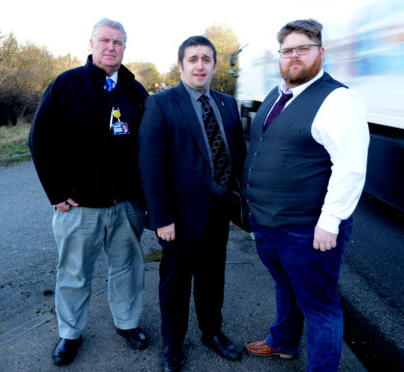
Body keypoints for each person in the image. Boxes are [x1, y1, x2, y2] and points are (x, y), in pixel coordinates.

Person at [242, 19, 370, 372]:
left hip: (307, 230)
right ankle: (283, 342)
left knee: (321, 307)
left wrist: (330, 223)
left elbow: (351, 167)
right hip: (267, 225)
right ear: (279, 57)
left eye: (303, 48)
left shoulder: (339, 99)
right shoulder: (276, 93)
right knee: (285, 286)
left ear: (321, 52)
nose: (294, 56)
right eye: (287, 50)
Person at [28, 18, 149, 366]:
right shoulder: (67, 84)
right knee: (74, 272)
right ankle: (70, 333)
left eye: (118, 42)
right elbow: (40, 139)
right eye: (105, 41)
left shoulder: (134, 90)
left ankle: (127, 324)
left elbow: (150, 143)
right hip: (79, 207)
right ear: (92, 43)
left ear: (125, 47)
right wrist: (56, 192)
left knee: (127, 267)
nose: (111, 47)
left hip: (125, 205)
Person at [138, 36, 247, 372]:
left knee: (213, 278)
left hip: (218, 212)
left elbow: (237, 158)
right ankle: (172, 345)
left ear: (215, 65)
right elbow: (151, 166)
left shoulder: (228, 104)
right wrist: (161, 218)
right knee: (175, 283)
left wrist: (238, 207)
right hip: (178, 218)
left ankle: (211, 332)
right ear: (181, 65)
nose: (200, 65)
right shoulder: (161, 103)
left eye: (206, 59)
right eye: (193, 59)